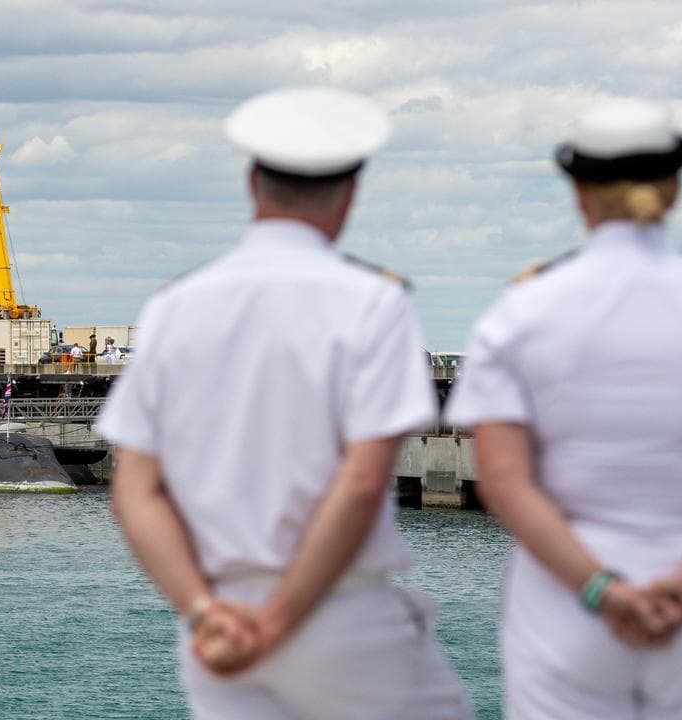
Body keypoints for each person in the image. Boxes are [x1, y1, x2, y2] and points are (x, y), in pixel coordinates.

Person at [97, 86, 471, 719]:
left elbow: (135, 489)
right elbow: (358, 485)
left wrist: (202, 611)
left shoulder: (176, 307)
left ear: (251, 182)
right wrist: (282, 621)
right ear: (350, 193)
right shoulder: (372, 303)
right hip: (338, 614)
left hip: (219, 621)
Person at [444, 99, 682, 719]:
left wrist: (602, 589)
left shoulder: (521, 313)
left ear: (579, 192)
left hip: (566, 603)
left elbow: (505, 482)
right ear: (673, 189)